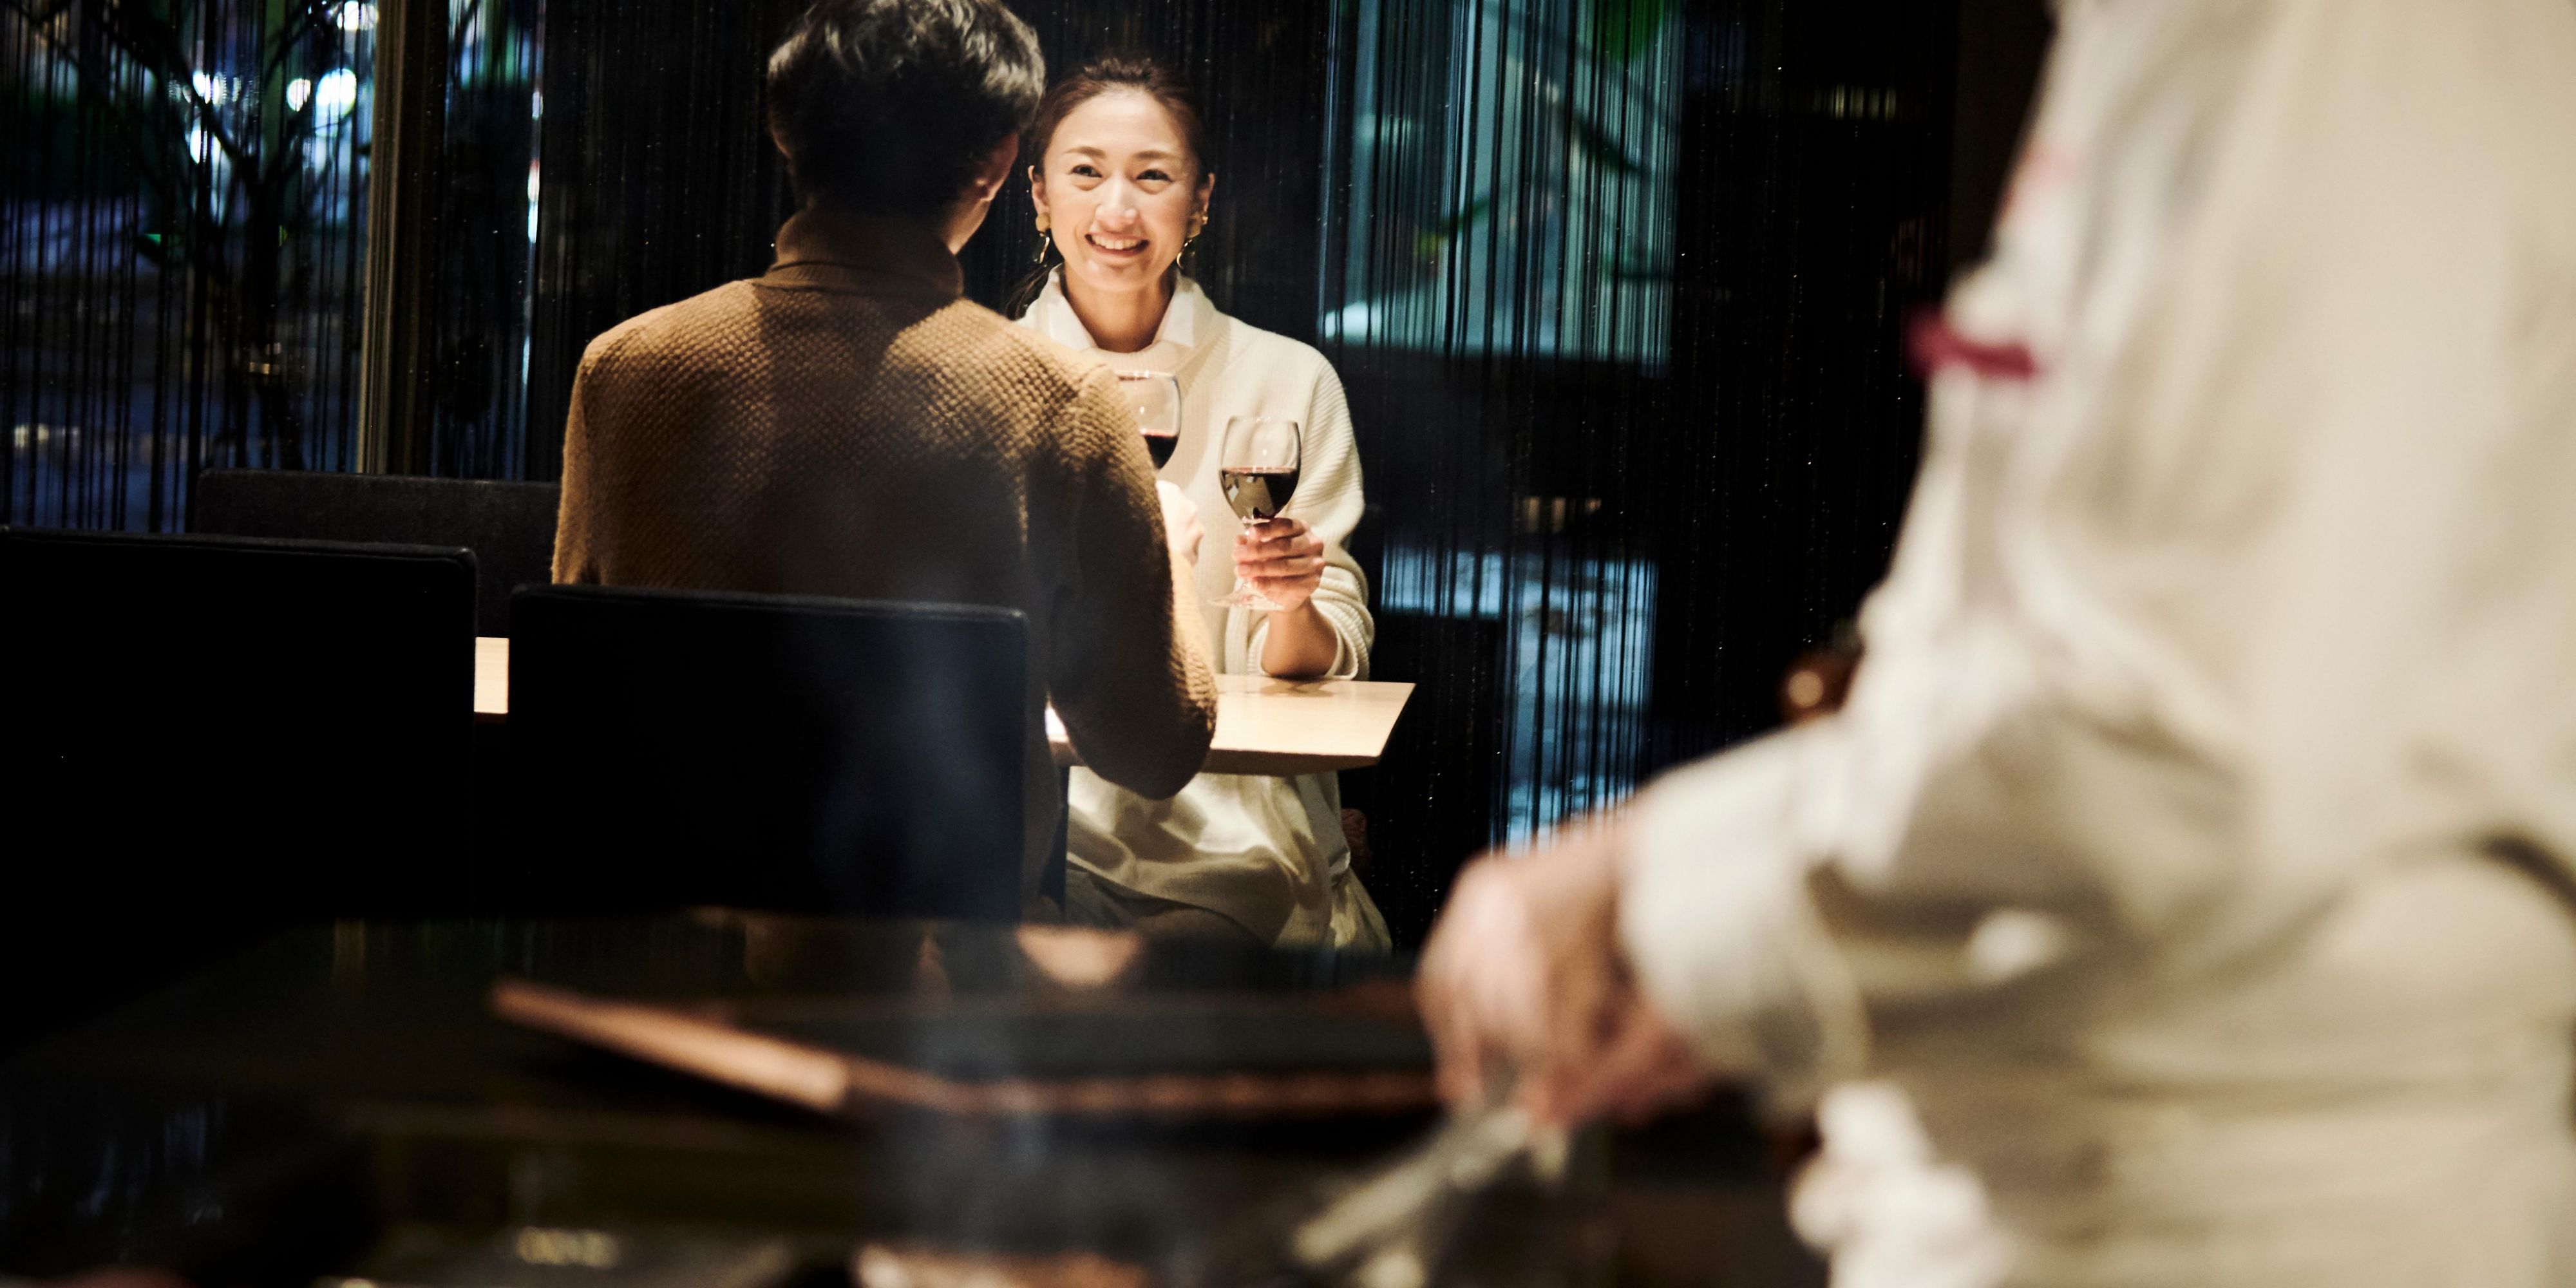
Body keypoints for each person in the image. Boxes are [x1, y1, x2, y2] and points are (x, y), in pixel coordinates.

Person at [1419, 2, 2576, 1284]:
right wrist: (1791, 945)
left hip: (2212, 1220)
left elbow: (2183, 755)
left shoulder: (2314, 35)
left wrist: (1652, 897)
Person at [551, 0, 1217, 908]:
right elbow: (1156, 748)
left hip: (658, 941)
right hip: (939, 964)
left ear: (785, 133)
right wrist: (1172, 560)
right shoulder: (1059, 404)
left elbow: (580, 691)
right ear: (998, 163)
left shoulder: (626, 371)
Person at [1015, 54, 1390, 951]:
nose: (1118, 210)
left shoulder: (1287, 379)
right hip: (1043, 799)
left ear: (1202, 201)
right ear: (1038, 195)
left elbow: (1323, 659)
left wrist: (1293, 601)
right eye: (1085, 172)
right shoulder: (993, 372)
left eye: (1153, 176)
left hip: (1233, 811)